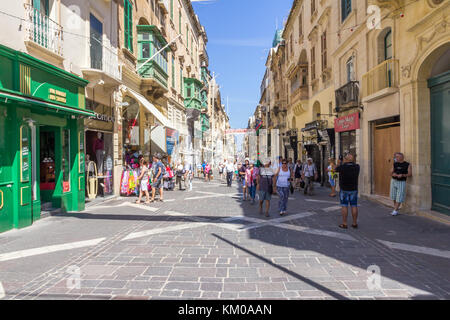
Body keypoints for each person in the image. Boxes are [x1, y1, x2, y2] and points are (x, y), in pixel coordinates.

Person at [335, 154, 360, 229]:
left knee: (344, 206)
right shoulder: (357, 167)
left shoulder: (342, 167)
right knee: (354, 205)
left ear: (345, 159)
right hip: (353, 189)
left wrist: (339, 163)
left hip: (344, 189)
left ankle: (344, 223)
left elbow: (335, 169)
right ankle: (355, 223)